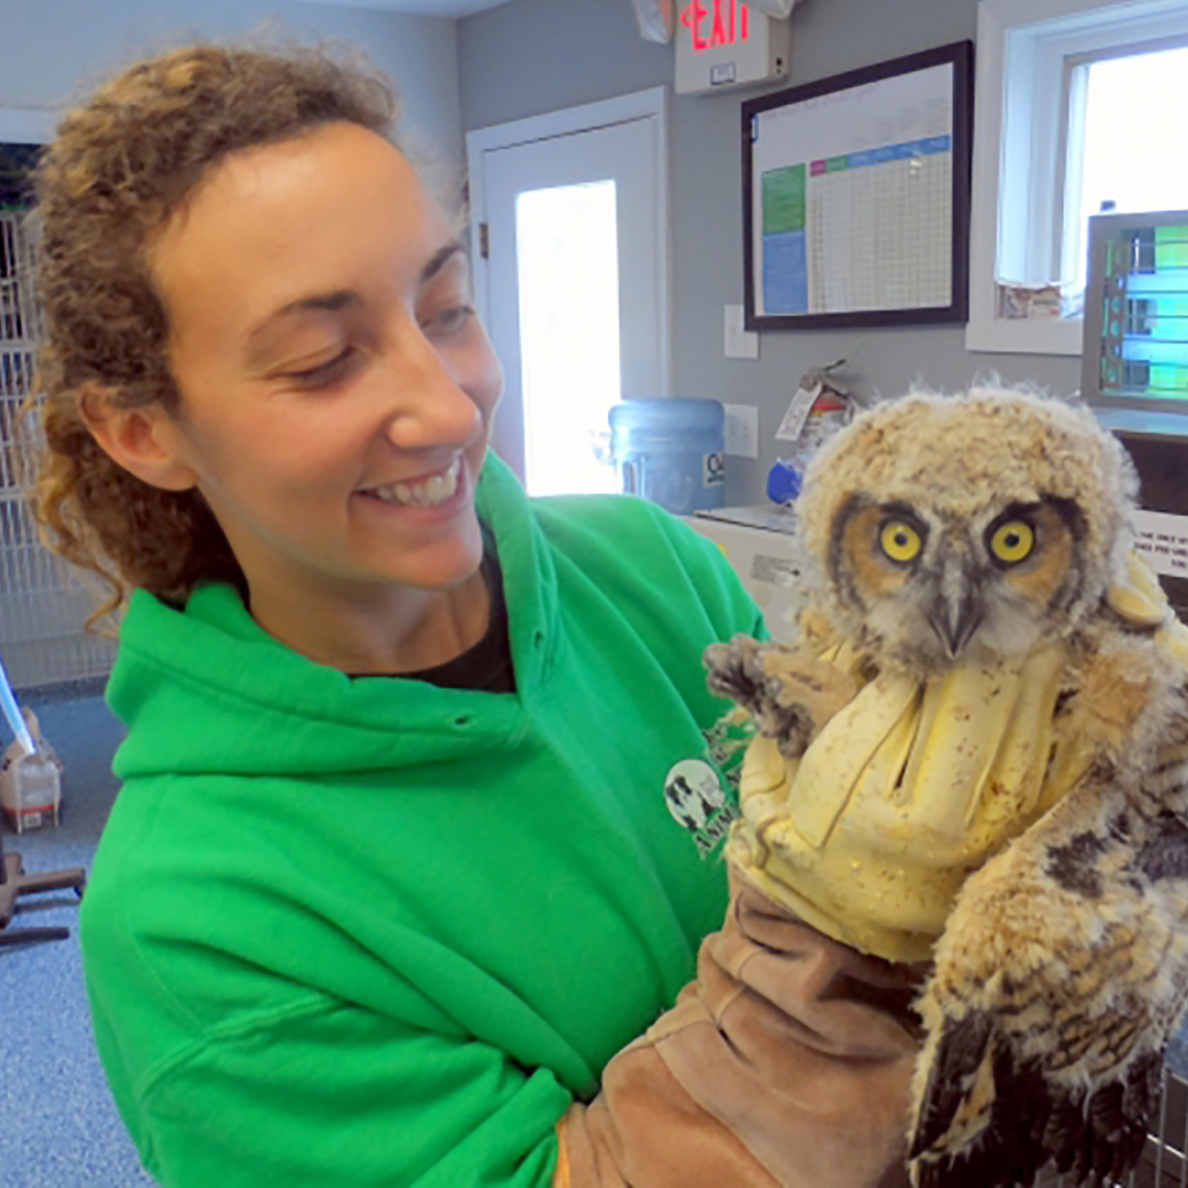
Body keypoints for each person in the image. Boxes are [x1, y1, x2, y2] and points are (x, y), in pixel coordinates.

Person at [26, 44, 921, 1187]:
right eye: (320, 359)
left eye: (446, 308)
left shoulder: (652, 569)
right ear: (142, 429)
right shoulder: (198, 920)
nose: (450, 406)